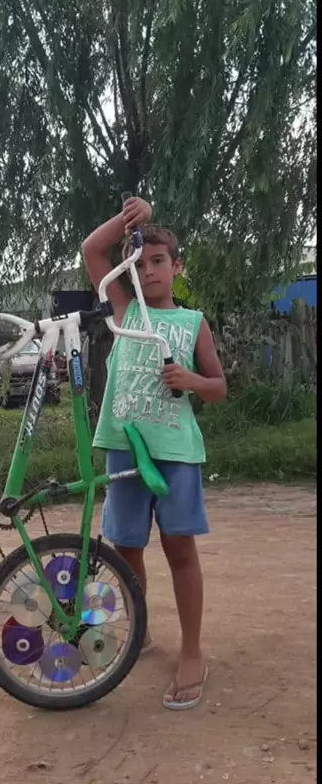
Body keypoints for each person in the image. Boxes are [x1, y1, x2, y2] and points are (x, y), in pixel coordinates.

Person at [82, 196, 227, 710]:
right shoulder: (123, 311)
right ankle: (138, 631)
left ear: (176, 265)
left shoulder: (192, 322)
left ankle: (192, 652)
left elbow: (218, 387)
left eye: (158, 260)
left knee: (179, 549)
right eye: (139, 263)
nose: (148, 270)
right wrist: (130, 219)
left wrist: (190, 380)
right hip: (125, 447)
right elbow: (92, 250)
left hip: (175, 452)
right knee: (127, 549)